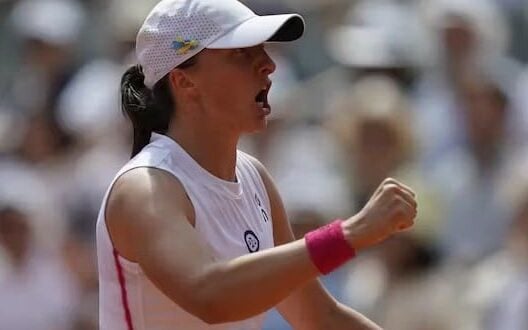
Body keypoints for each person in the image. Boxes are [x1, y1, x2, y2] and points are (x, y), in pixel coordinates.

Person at [96, 0, 418, 329]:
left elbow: (320, 317)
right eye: (241, 54)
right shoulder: (144, 188)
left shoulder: (254, 178)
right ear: (184, 82)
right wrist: (350, 234)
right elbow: (210, 296)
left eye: (261, 50)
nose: (268, 65)